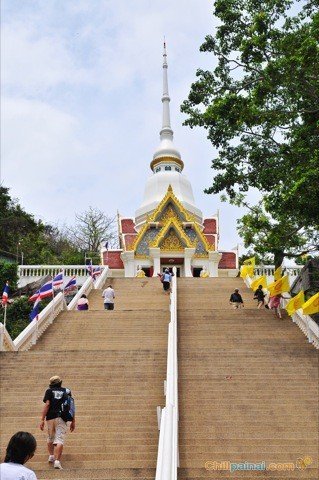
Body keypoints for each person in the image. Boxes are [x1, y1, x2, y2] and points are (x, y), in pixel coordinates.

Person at [40, 375, 75, 470]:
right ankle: (57, 461)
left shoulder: (49, 391)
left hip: (50, 417)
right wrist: (73, 421)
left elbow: (47, 404)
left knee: (50, 437)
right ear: (60, 382)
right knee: (59, 439)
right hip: (62, 417)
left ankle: (51, 455)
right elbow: (71, 406)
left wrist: (42, 419)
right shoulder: (67, 391)